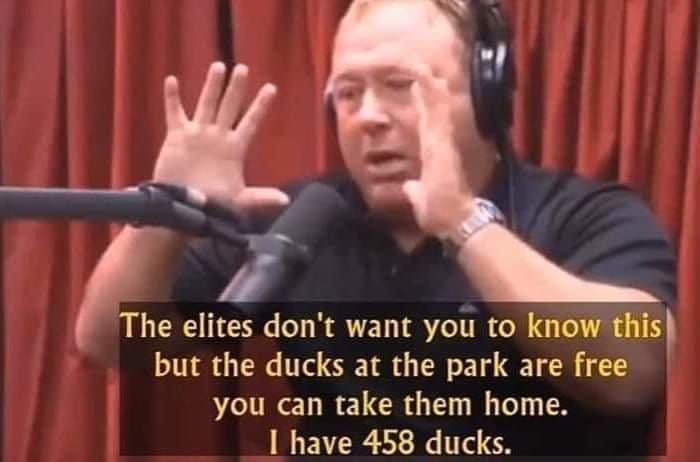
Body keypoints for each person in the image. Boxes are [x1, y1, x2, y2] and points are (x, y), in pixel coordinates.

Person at [76, 0, 677, 458]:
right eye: (348, 94)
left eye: (399, 87)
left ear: (487, 95)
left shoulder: (585, 214)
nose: (367, 117)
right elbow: (111, 341)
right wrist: (169, 218)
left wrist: (463, 223)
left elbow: (632, 371)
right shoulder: (298, 219)